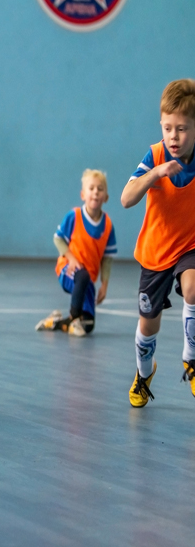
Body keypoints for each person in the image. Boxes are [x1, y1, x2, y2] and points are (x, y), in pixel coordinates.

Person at [121, 78, 195, 407]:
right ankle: (143, 374)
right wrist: (155, 174)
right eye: (168, 128)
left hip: (190, 245)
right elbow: (125, 198)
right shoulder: (154, 155)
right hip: (156, 252)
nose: (173, 137)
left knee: (193, 287)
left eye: (181, 128)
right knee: (148, 327)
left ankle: (191, 360)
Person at [35, 169, 117, 337]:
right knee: (82, 276)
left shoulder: (108, 224)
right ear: (82, 195)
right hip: (69, 269)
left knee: (87, 325)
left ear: (106, 197)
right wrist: (71, 259)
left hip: (88, 279)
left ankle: (57, 322)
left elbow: (107, 258)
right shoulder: (74, 216)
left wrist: (104, 285)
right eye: (91, 188)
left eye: (100, 189)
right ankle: (73, 319)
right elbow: (58, 239)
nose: (95, 192)